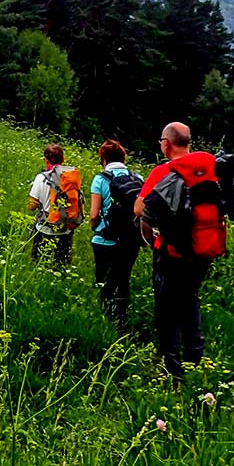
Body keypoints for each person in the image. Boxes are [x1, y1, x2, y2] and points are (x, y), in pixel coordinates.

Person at [134, 121, 215, 384]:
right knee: (190, 300)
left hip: (170, 252)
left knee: (167, 309)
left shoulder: (165, 171)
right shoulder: (207, 169)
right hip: (202, 249)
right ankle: (195, 359)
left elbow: (139, 209)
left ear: (166, 143)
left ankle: (173, 370)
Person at [89, 139, 140, 329]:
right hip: (130, 240)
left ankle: (106, 321)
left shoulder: (101, 179)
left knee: (103, 280)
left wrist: (95, 227)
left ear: (103, 158)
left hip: (105, 238)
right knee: (123, 278)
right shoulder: (138, 177)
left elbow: (94, 214)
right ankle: (122, 318)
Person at [28, 144, 83, 266]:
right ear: (63, 159)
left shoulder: (41, 178)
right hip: (66, 228)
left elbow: (32, 206)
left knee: (38, 263)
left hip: (45, 228)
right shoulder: (71, 177)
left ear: (46, 160)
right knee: (62, 265)